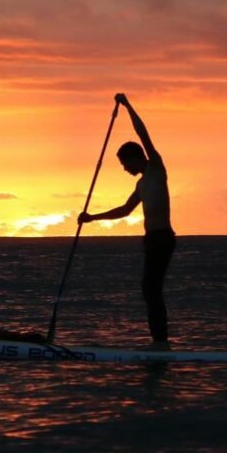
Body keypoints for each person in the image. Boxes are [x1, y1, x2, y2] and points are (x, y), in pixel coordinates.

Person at [78, 93, 176, 349]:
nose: (124, 169)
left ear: (135, 157)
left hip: (163, 238)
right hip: (152, 239)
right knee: (149, 289)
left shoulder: (156, 168)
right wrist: (91, 218)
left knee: (150, 289)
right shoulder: (142, 184)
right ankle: (159, 342)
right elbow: (124, 210)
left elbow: (143, 133)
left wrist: (128, 105)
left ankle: (161, 344)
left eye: (124, 163)